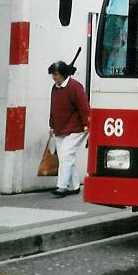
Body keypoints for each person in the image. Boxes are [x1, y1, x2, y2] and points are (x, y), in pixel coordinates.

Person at [48, 60, 91, 197]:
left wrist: (87, 124)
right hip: (61, 127)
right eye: (53, 74)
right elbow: (53, 108)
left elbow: (84, 106)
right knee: (65, 157)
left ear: (63, 74)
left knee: (66, 155)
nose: (54, 77)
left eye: (56, 74)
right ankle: (74, 186)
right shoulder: (55, 87)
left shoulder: (75, 87)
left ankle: (62, 186)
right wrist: (52, 125)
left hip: (76, 128)